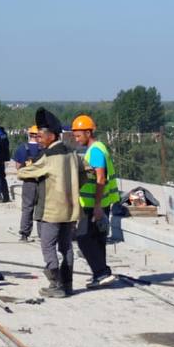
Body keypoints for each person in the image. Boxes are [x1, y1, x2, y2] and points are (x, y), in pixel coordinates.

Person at [13, 108, 83, 298]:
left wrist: (27, 169)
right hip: (71, 210)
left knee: (48, 246)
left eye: (41, 136)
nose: (38, 139)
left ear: (51, 135)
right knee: (66, 246)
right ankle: (67, 284)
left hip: (52, 210)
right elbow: (84, 174)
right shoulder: (72, 153)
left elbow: (24, 172)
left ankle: (55, 284)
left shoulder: (49, 156)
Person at [72, 114, 118, 288]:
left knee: (83, 238)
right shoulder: (98, 148)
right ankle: (101, 274)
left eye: (78, 135)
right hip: (99, 203)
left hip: (93, 205)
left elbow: (100, 179)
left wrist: (97, 207)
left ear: (88, 132)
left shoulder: (96, 151)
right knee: (98, 239)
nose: (76, 139)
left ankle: (101, 272)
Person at [14, 124, 43, 241]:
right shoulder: (45, 149)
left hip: (28, 182)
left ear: (29, 134)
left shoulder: (22, 148)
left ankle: (24, 234)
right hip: (42, 182)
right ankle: (43, 235)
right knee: (42, 208)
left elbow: (17, 166)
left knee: (27, 208)